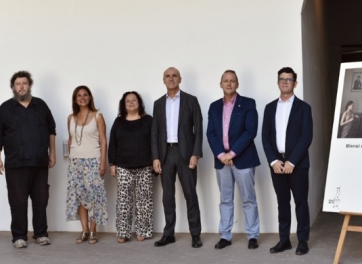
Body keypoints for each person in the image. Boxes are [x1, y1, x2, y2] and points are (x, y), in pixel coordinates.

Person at [0, 71, 56, 248]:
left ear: (29, 85)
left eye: (25, 83)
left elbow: (51, 130)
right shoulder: (5, 108)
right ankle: (19, 236)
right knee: (18, 201)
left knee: (41, 199)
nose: (21, 87)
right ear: (13, 87)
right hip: (16, 164)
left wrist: (53, 153)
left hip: (40, 162)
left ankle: (41, 234)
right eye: (18, 84)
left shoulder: (41, 106)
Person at [206, 70, 261, 250]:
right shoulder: (214, 106)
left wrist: (233, 153)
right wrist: (222, 155)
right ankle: (225, 235)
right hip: (222, 160)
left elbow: (250, 131)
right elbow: (211, 133)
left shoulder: (248, 104)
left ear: (237, 84)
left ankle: (252, 235)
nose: (229, 84)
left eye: (232, 81)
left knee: (248, 199)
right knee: (225, 200)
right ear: (220, 84)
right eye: (225, 81)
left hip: (243, 159)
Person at [261, 67, 313, 255]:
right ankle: (284, 240)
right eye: (282, 79)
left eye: (288, 79)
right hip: (277, 164)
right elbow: (265, 136)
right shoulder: (269, 108)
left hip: (297, 165)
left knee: (300, 202)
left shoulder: (304, 108)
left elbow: (306, 136)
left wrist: (292, 162)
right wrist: (274, 161)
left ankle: (302, 240)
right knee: (282, 202)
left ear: (295, 83)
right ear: (278, 83)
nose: (285, 82)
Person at [151, 67, 203, 248]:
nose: (171, 79)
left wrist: (196, 153)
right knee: (168, 197)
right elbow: (155, 133)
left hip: (186, 154)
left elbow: (198, 129)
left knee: (190, 194)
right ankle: (169, 234)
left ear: (180, 79)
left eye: (174, 76)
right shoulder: (158, 104)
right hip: (166, 155)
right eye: (167, 76)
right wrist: (155, 157)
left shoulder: (191, 100)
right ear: (163, 80)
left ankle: (195, 235)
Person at [108, 91, 154, 243]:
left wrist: (156, 160)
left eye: (134, 100)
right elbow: (113, 143)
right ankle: (123, 232)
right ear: (124, 104)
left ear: (139, 102)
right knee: (123, 201)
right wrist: (112, 164)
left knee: (144, 200)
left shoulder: (148, 121)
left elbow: (154, 142)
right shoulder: (119, 122)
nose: (131, 102)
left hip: (145, 166)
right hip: (123, 166)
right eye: (128, 100)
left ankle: (144, 231)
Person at [66, 86, 108, 244]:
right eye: (79, 95)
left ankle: (93, 231)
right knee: (79, 197)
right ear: (75, 99)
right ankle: (84, 230)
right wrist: (70, 160)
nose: (82, 98)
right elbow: (71, 140)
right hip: (75, 162)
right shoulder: (70, 117)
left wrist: (103, 161)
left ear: (90, 97)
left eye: (85, 95)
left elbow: (103, 140)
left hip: (93, 160)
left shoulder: (98, 116)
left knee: (94, 196)